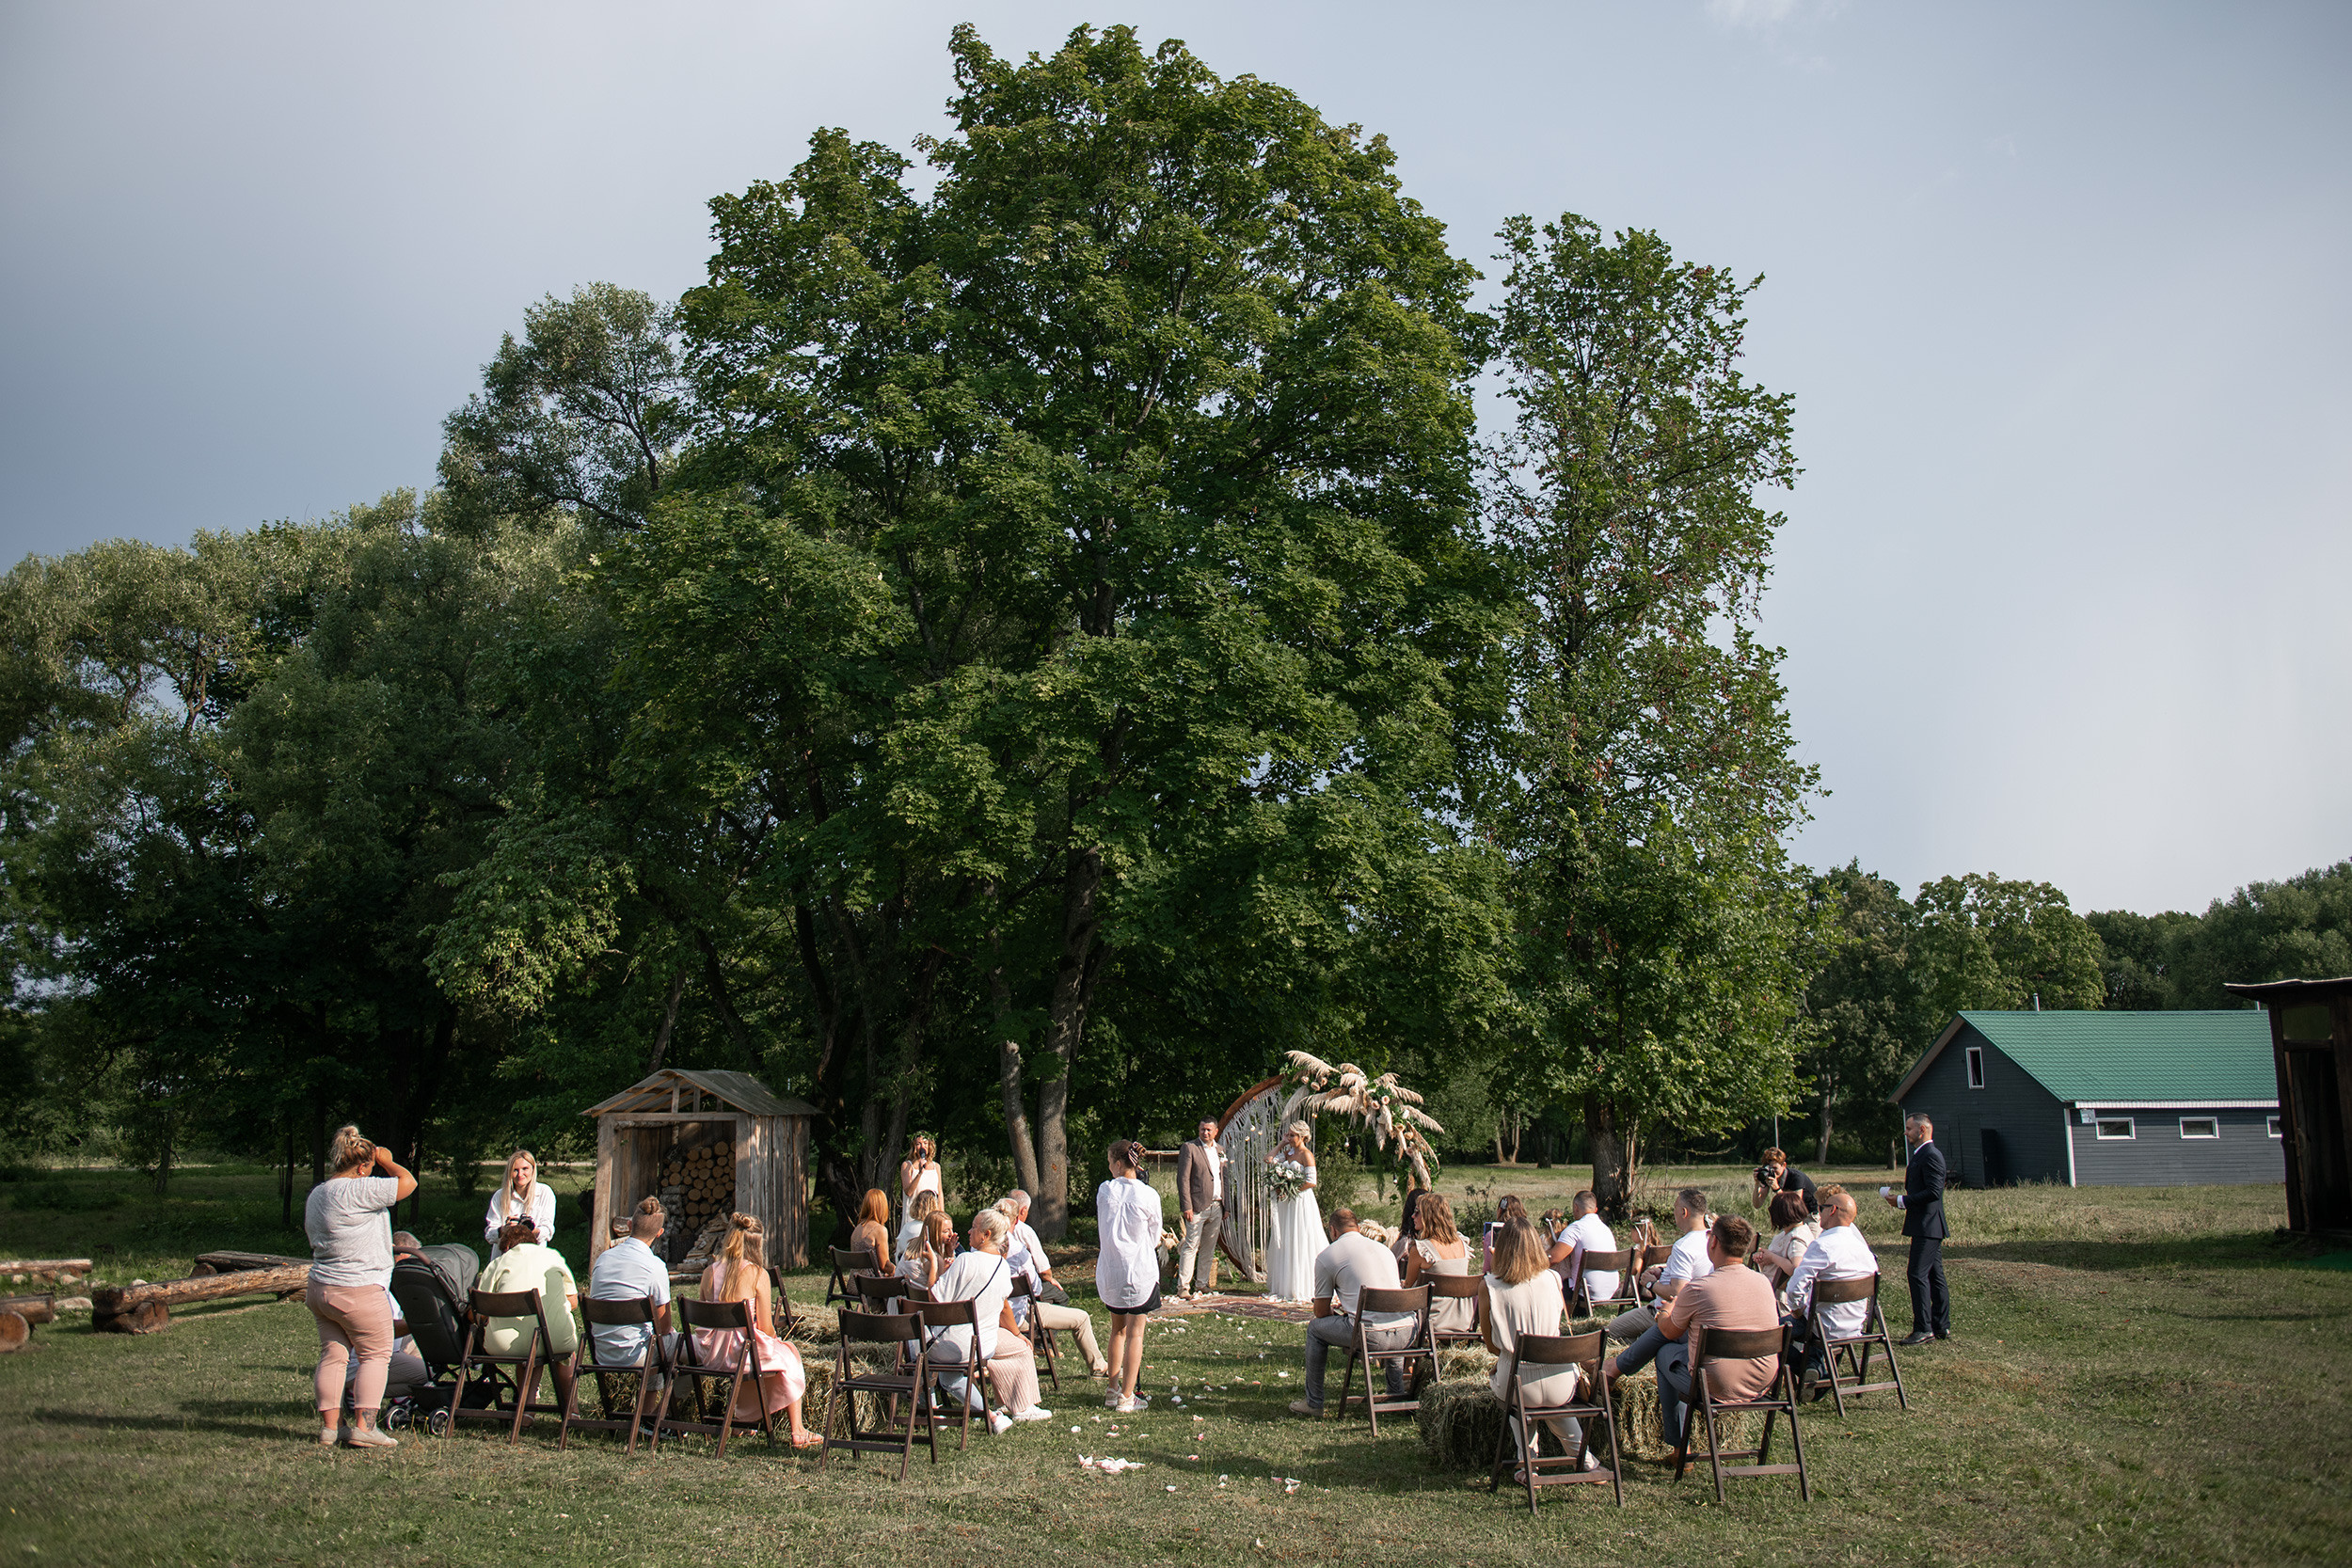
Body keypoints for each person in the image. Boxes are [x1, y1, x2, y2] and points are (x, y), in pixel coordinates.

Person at [1619, 1214, 1781, 1456]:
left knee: (1664, 1352)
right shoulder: (1763, 1282)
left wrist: (1666, 1309)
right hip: (1763, 1382)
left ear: (1713, 1242)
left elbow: (1667, 1330)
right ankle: (1617, 1367)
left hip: (1717, 1385)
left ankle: (1678, 1447)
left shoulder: (1699, 1288)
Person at [304, 1126, 417, 1449]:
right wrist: (388, 1161)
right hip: (358, 1288)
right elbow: (408, 1183)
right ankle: (365, 1428)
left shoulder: (319, 1193)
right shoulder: (359, 1188)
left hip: (321, 1285)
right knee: (375, 1355)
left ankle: (330, 1428)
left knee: (334, 1354)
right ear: (363, 1167)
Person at [1482, 1214, 1595, 1477]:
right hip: (1562, 1382)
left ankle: (1528, 1462)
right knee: (1547, 1401)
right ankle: (1583, 1458)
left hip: (1518, 1385)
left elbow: (1491, 1346)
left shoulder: (1489, 1287)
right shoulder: (1554, 1279)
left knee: (1515, 1389)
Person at [697, 1213, 818, 1447]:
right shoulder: (757, 1274)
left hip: (712, 1354)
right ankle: (798, 1430)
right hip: (742, 1354)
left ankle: (743, 1418)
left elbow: (706, 1317)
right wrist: (777, 1339)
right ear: (757, 1243)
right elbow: (765, 1327)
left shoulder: (708, 1272)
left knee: (758, 1354)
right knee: (788, 1351)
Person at [930, 1207, 1052, 1431]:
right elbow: (1004, 1307)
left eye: (974, 1227)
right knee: (949, 1378)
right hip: (983, 1346)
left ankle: (929, 1411)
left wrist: (934, 1266)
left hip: (953, 1345)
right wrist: (1016, 1333)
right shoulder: (1003, 1268)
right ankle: (993, 1415)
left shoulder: (966, 1260)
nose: (968, 1231)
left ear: (986, 1235)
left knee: (911, 1343)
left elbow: (935, 1299)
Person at [1288, 1208, 1411, 1418]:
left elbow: (1319, 1312)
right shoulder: (1384, 1251)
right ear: (1358, 1227)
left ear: (1333, 1231)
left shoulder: (1327, 1256)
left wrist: (1336, 1313)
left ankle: (1314, 1402)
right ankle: (1396, 1393)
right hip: (1407, 1332)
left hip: (1370, 1336)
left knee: (1315, 1330)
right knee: (1388, 1318)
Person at [993, 1196, 1108, 1376]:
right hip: (1019, 1317)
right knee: (1081, 1318)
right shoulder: (1019, 1252)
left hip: (988, 1319)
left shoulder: (978, 1249)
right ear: (1017, 1218)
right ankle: (1098, 1367)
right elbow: (1036, 1289)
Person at [478, 1215, 580, 1417]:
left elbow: (480, 1307)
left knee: (529, 1343)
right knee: (552, 1346)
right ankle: (572, 1411)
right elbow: (574, 1301)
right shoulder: (553, 1256)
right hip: (556, 1338)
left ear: (506, 1247)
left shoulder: (500, 1262)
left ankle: (527, 1410)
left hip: (506, 1342)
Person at [1783, 1184, 1879, 1391]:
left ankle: (1810, 1368)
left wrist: (1798, 1310)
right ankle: (1817, 1374)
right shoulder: (1864, 1250)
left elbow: (1793, 1289)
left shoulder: (1823, 1246)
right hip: (1854, 1325)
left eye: (1820, 1208)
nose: (1817, 1214)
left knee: (1770, 1334)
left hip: (1823, 1325)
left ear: (1832, 1210)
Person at [1095, 1140, 1164, 1413]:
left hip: (1111, 1269)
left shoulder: (1105, 1190)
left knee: (1117, 1330)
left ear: (1119, 1163)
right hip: (1138, 1269)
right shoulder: (1148, 1195)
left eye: (1111, 1162)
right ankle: (1126, 1395)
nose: (1109, 1167)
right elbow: (1155, 1234)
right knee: (1136, 1334)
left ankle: (1113, 1389)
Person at [588, 1196, 675, 1407]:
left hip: (602, 1350)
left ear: (628, 1225)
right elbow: (664, 1327)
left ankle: (641, 1413)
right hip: (635, 1353)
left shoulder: (603, 1259)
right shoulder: (654, 1266)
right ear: (659, 1233)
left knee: (657, 1342)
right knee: (681, 1347)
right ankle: (654, 1412)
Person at [1603, 1186, 1713, 1345]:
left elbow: (1677, 1292)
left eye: (1675, 1207)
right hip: (1700, 1312)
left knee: (1612, 1331)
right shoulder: (1712, 1240)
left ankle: (1658, 1340)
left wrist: (1650, 1283)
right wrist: (1663, 1271)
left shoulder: (1683, 1246)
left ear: (1684, 1212)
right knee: (1634, 1339)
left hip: (1667, 1312)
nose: (1674, 1212)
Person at [1884, 1113, 1951, 1343]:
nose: (1906, 1132)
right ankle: (1941, 1326)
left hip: (1928, 1224)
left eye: (1909, 1128)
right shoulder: (1922, 1154)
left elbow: (1934, 1192)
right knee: (1934, 1274)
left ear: (1922, 1130)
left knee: (1917, 1274)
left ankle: (1923, 1328)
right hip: (1926, 1224)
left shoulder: (1931, 1155)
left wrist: (1902, 1201)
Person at [1261, 1121, 1323, 1303]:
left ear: (1303, 1136)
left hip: (1300, 1201)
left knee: (1300, 1238)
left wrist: (1290, 1190)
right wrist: (1281, 1144)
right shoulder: (1287, 1153)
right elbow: (1268, 1159)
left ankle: (1302, 1284)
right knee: (1286, 1238)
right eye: (1288, 1135)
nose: (1290, 1138)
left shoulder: (1306, 1155)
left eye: (1293, 1135)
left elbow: (1311, 1181)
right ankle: (1285, 1284)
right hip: (1286, 1203)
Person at [1399, 1193, 1474, 1338]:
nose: (1413, 1217)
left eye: (1417, 1212)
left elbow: (1408, 1290)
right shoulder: (1462, 1245)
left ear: (1428, 1216)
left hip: (1432, 1321)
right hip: (1463, 1321)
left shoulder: (1422, 1250)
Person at [1175, 1117, 1230, 1300]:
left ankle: (1202, 1283)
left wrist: (1226, 1206)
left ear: (1216, 1131)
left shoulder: (1221, 1150)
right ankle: (1183, 1287)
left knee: (1209, 1246)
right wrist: (1186, 1206)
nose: (1205, 1133)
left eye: (1208, 1130)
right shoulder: (1189, 1148)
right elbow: (1183, 1179)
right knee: (1191, 1245)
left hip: (1217, 1205)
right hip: (1197, 1205)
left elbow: (1225, 1178)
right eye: (1202, 1130)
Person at [1548, 1190, 1618, 1307]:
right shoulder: (1606, 1229)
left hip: (1585, 1292)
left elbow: (1553, 1258)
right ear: (1595, 1209)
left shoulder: (1576, 1229)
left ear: (1576, 1208)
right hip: (1610, 1290)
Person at [482, 1148, 557, 1247]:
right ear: (509, 1172)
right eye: (515, 1170)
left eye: (525, 1169)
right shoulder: (500, 1196)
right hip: (505, 1256)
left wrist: (528, 1231)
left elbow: (547, 1231)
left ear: (533, 1169)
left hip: (535, 1254)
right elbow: (490, 1234)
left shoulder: (544, 1192)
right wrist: (503, 1230)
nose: (520, 1174)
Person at [1750, 1191, 1820, 1296]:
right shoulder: (1787, 1233)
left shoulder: (1797, 1238)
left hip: (1782, 1298)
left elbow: (1796, 1269)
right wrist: (1764, 1256)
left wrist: (1772, 1257)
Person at [898, 1134, 945, 1254]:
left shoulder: (936, 1167)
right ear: (914, 1147)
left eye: (925, 1143)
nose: (922, 1147)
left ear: (930, 1146)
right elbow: (908, 1191)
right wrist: (920, 1173)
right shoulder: (907, 1166)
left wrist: (942, 1215)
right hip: (914, 1214)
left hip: (932, 1213)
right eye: (918, 1144)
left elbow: (940, 1193)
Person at [1750, 1147, 1820, 1218]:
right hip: (1793, 1216)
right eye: (1769, 1168)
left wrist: (1777, 1189)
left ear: (1784, 1165)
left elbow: (1794, 1206)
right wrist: (1757, 1184)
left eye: (1775, 1168)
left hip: (1811, 1213)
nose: (1772, 1172)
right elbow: (1757, 1204)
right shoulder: (1768, 1175)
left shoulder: (1796, 1177)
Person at [898, 1209, 958, 1289]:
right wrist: (949, 1257)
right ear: (934, 1232)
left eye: (952, 1229)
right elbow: (942, 1289)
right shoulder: (934, 1258)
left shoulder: (913, 1244)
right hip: (920, 1300)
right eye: (946, 1231)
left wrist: (949, 1253)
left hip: (901, 1298)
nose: (951, 1234)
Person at [848, 1188, 894, 1270]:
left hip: (855, 1281)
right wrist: (897, 1270)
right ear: (883, 1207)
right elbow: (885, 1266)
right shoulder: (880, 1230)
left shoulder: (857, 1228)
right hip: (873, 1281)